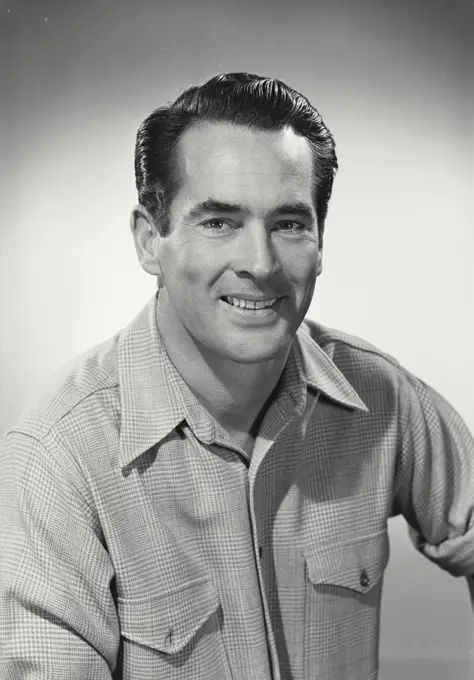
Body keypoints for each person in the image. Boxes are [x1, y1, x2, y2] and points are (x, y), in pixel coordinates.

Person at [0, 72, 473, 680]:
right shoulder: (57, 460)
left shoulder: (382, 397)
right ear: (150, 242)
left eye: (289, 224)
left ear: (321, 242)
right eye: (219, 222)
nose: (260, 263)